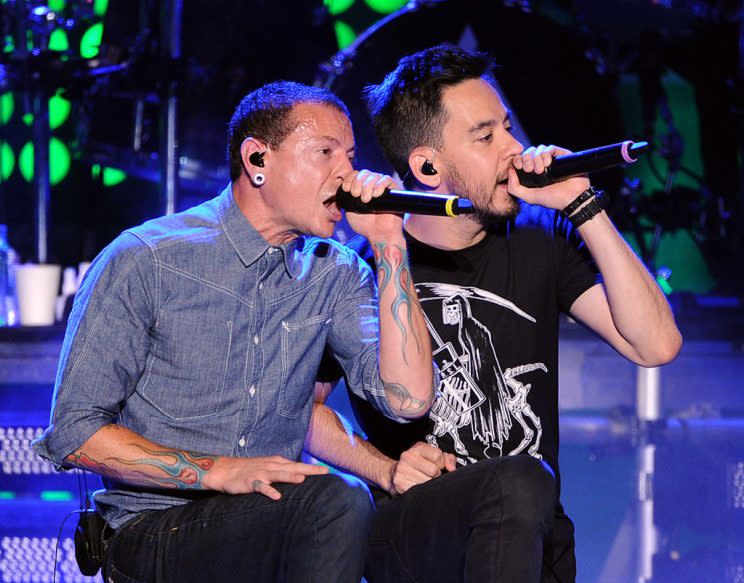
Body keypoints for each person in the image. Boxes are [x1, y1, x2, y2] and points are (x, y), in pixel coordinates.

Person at [32, 81, 437, 582]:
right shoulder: (149, 259)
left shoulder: (336, 273)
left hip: (269, 518)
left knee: (376, 517)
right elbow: (73, 432)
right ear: (256, 160)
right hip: (155, 527)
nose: (347, 173)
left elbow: (407, 400)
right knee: (338, 501)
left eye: (350, 156)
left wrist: (392, 246)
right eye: (325, 153)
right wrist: (216, 470)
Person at [307, 44, 682, 582]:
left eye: (507, 128)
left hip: (531, 536)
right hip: (417, 540)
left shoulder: (539, 237)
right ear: (428, 166)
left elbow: (657, 345)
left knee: (527, 488)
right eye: (486, 137)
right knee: (519, 482)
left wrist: (582, 205)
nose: (514, 148)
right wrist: (385, 469)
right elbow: (300, 409)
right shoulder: (364, 265)